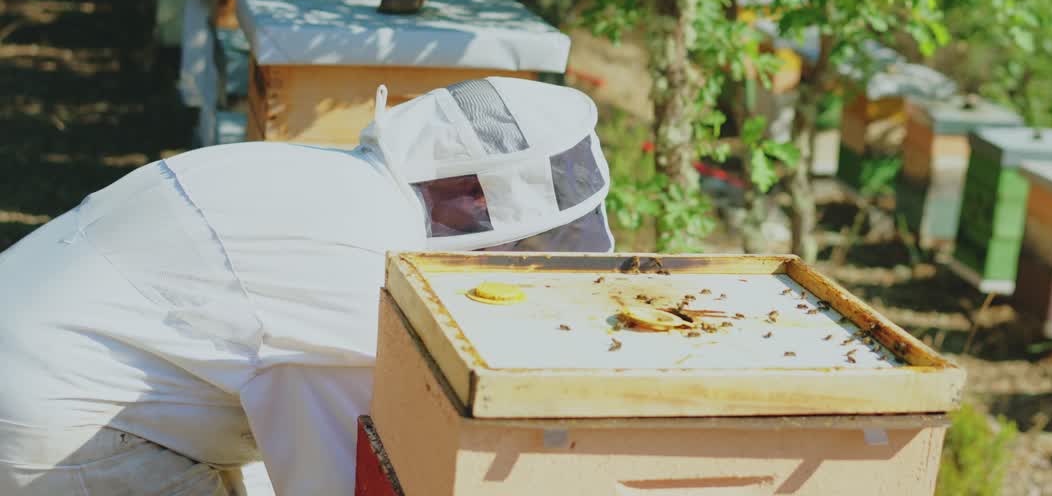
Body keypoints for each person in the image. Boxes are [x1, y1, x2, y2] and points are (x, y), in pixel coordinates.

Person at [0, 77, 614, 496]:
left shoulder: (336, 181)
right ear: (478, 195)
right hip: (56, 423)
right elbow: (336, 469)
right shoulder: (361, 258)